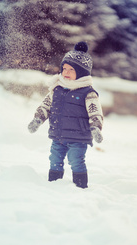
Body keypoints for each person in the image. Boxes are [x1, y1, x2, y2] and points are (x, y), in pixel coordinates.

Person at [28, 41, 103, 188]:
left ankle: (80, 186)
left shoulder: (88, 92)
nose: (66, 72)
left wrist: (95, 128)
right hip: (58, 134)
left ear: (81, 72)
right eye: (64, 68)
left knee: (76, 160)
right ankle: (54, 184)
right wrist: (38, 119)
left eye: (71, 70)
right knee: (55, 159)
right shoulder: (57, 89)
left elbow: (95, 112)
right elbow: (46, 106)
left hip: (79, 137)